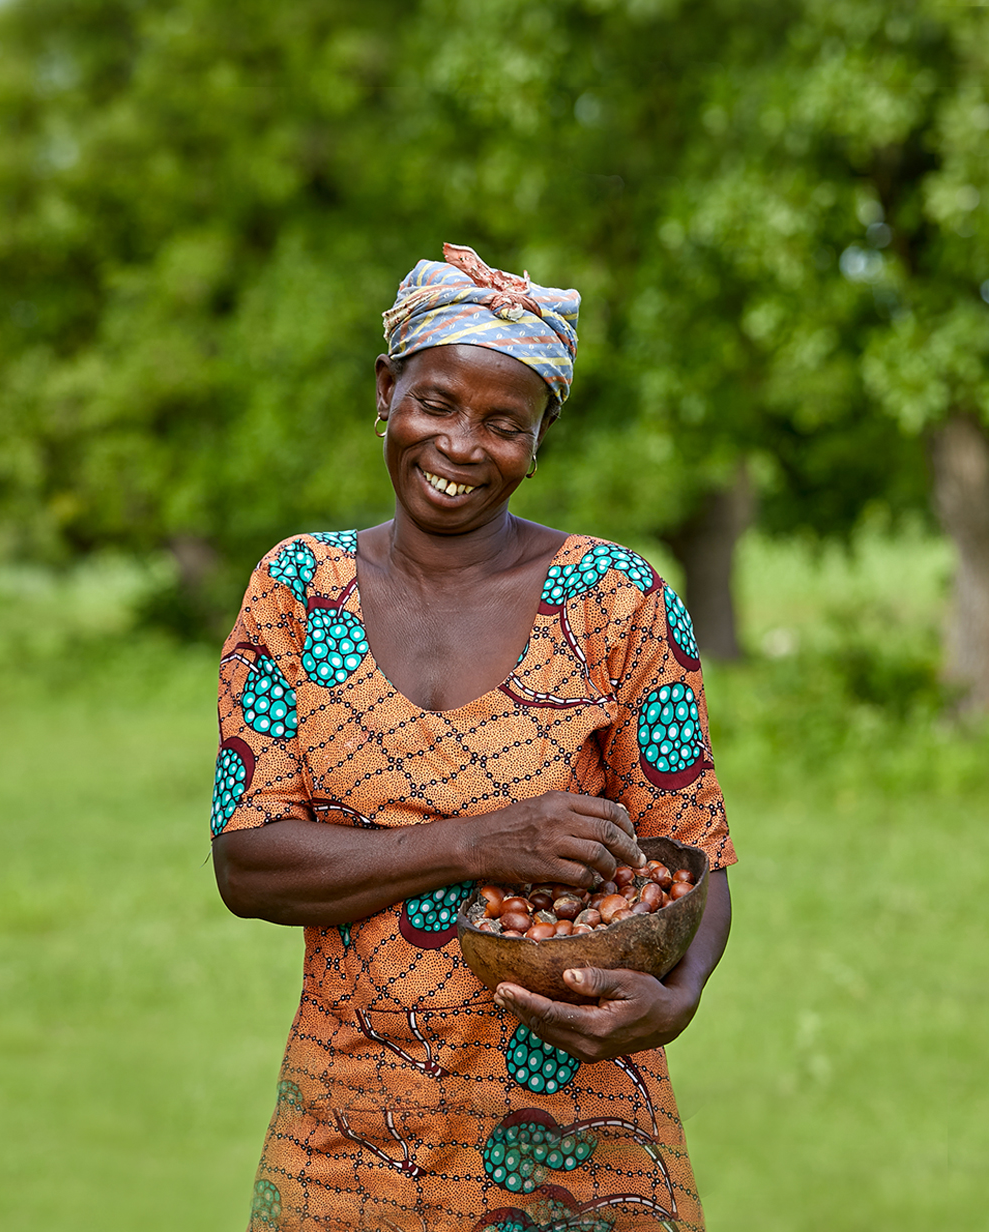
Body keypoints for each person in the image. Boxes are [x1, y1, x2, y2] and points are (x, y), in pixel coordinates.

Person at [210, 244, 735, 1232]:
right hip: (352, 1138)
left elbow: (693, 861)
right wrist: (474, 840)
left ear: (540, 442)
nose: (459, 445)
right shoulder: (295, 590)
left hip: (578, 1141)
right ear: (385, 391)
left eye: (504, 423)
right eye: (436, 403)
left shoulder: (618, 601)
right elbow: (247, 862)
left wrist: (681, 992)